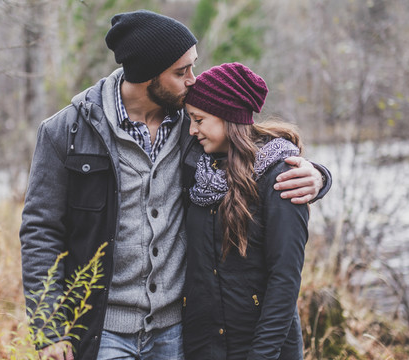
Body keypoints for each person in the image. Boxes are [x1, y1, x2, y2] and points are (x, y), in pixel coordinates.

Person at [19, 10, 330, 360]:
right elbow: (40, 231)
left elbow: (254, 150)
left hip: (180, 331)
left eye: (192, 67)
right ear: (146, 75)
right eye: (181, 72)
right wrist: (48, 329)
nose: (193, 81)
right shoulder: (67, 131)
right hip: (103, 329)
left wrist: (317, 175)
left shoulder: (193, 123)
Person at [181, 62, 309, 360]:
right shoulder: (195, 169)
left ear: (228, 116)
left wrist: (262, 355)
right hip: (204, 346)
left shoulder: (281, 177)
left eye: (199, 119)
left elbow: (285, 278)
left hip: (264, 347)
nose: (192, 129)